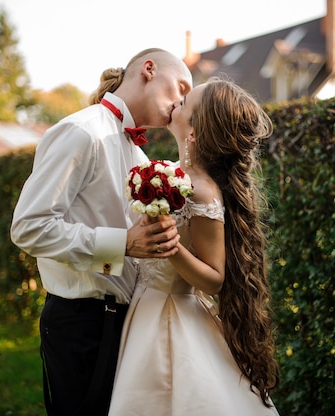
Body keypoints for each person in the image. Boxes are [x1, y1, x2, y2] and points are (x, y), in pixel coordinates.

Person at [10, 48, 192, 416]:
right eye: (180, 87)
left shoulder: (142, 159)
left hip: (128, 323)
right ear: (149, 69)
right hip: (81, 324)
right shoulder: (81, 131)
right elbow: (29, 227)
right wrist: (122, 244)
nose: (181, 101)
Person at [108, 78, 281, 416]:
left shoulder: (202, 191)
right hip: (145, 306)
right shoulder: (167, 176)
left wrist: (172, 247)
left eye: (186, 102)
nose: (177, 102)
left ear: (195, 133)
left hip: (171, 313)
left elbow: (215, 278)